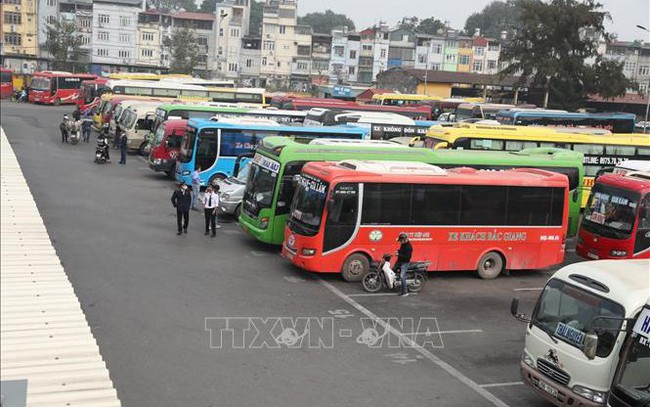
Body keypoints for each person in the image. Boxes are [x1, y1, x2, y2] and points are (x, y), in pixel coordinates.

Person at [394, 233, 413, 297]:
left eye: (401, 240)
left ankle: (405, 292)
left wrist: (399, 255)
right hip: (399, 261)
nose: (400, 242)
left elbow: (407, 257)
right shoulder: (403, 244)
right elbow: (401, 250)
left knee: (402, 276)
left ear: (404, 240)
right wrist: (398, 251)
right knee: (392, 271)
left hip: (405, 263)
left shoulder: (409, 247)